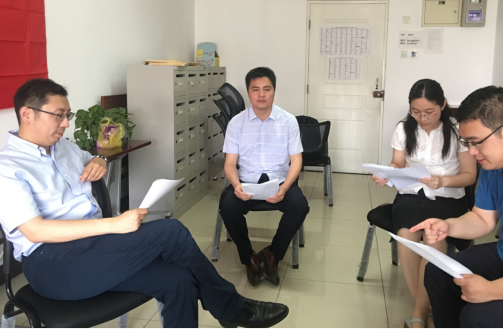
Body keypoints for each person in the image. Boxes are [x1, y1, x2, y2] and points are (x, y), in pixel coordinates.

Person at [0, 78, 289, 329]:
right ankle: (231, 308)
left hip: (94, 248)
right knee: (171, 232)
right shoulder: (8, 168)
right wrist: (114, 224)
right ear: (27, 114)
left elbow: (91, 157)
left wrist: (99, 160)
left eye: (68, 115)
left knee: (178, 280)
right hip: (51, 265)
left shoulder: (63, 147)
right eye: (58, 116)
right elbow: (35, 230)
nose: (66, 123)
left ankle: (228, 308)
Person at [412, 86, 503, 328]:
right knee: (437, 274)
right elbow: (482, 218)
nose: (472, 152)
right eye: (467, 143)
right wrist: (449, 226)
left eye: (476, 143)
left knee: (478, 317)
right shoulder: (494, 162)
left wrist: (491, 290)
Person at [373, 79, 476, 329]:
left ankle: (418, 313)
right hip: (411, 194)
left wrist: (443, 180)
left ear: (443, 105)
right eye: (416, 112)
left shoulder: (457, 131)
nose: (422, 118)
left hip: (448, 196)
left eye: (429, 112)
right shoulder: (403, 129)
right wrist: (388, 172)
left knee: (433, 238)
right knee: (406, 236)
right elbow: (398, 163)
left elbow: (469, 176)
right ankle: (424, 311)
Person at [221, 67, 310, 287]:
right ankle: (249, 258)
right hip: (246, 181)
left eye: (267, 89)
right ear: (248, 92)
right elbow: (230, 164)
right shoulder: (236, 123)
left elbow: (296, 161)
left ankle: (273, 253)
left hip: (279, 181)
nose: (261, 94)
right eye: (255, 89)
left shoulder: (288, 121)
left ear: (274, 91)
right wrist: (236, 185)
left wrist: (285, 187)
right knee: (228, 206)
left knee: (300, 205)